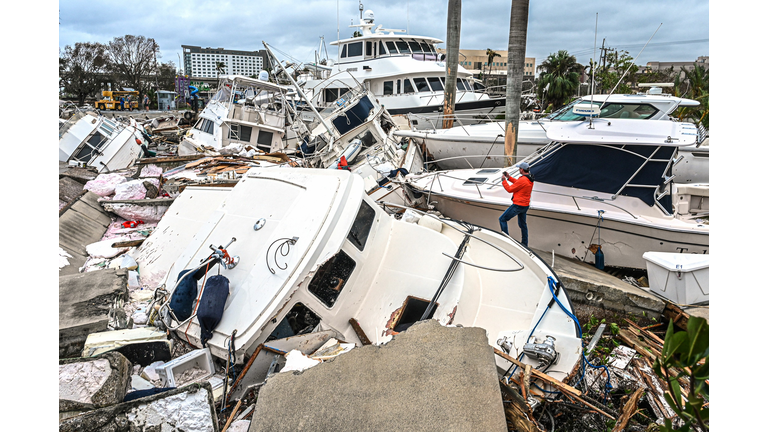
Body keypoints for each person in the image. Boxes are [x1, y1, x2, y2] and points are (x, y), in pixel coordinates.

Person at [498, 162, 535, 247]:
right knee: (523, 225)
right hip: (525, 205)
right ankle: (525, 243)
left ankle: (506, 240)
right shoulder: (529, 178)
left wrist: (504, 181)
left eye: (519, 168)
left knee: (502, 219)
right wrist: (509, 177)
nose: (519, 169)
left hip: (518, 205)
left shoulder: (523, 179)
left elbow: (510, 189)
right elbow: (518, 183)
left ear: (522, 169)